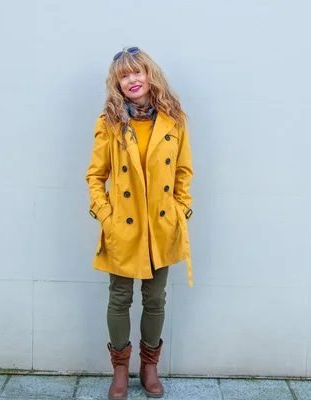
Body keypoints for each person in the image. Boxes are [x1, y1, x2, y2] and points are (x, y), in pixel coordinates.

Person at [85, 46, 194, 400]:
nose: (132, 80)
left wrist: (180, 208)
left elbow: (183, 171)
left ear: (150, 75)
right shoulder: (110, 122)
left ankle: (149, 368)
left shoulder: (173, 119)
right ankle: (120, 370)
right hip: (125, 227)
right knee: (119, 298)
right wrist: (106, 216)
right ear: (117, 84)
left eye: (137, 72)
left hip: (161, 227)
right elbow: (95, 176)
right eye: (123, 76)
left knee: (155, 299)